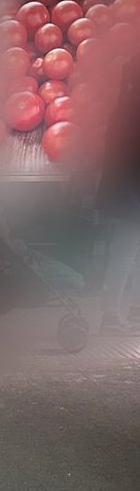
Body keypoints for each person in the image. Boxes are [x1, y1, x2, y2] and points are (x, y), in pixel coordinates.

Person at [96, 50, 140, 334]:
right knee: (126, 250)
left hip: (125, 189)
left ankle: (129, 309)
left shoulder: (126, 104)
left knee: (128, 250)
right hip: (130, 190)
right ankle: (112, 313)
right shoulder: (132, 108)